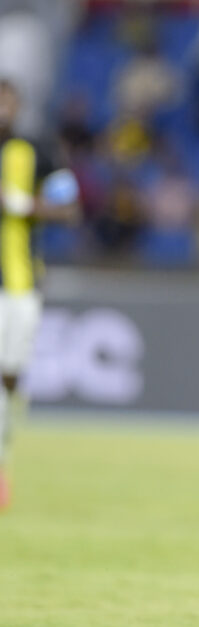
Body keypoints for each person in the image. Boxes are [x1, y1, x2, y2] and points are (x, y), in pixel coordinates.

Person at [0, 78, 80, 510]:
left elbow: (70, 208)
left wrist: (23, 205)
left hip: (20, 284)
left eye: (7, 101)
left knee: (9, 374)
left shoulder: (38, 150)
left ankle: (4, 450)